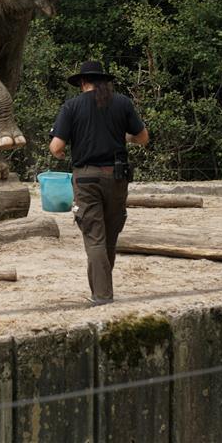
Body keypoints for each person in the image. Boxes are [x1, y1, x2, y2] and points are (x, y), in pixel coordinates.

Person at [49, 60, 149, 305]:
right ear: (104, 81)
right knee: (110, 236)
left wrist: (61, 153)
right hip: (117, 177)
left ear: (83, 83)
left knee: (95, 237)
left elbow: (57, 146)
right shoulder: (122, 103)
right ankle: (102, 289)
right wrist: (124, 138)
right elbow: (143, 137)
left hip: (86, 178)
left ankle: (102, 296)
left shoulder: (72, 106)